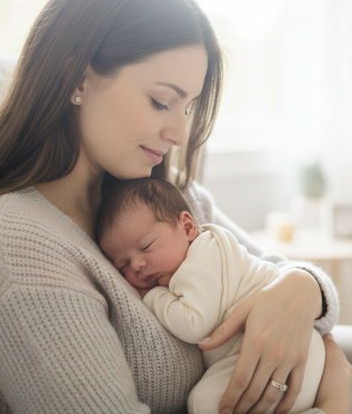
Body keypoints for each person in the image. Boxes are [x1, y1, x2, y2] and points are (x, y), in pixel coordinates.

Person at [0, 0, 352, 414]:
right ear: (77, 77)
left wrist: (302, 288)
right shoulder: (13, 250)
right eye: (162, 101)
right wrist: (335, 403)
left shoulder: (168, 200)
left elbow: (275, 272)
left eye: (187, 108)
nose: (180, 133)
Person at [96, 177, 326, 414]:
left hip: (285, 356)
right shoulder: (211, 243)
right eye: (122, 264)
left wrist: (153, 295)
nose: (136, 264)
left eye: (146, 246)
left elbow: (194, 324)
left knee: (202, 403)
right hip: (299, 350)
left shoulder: (197, 262)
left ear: (187, 227)